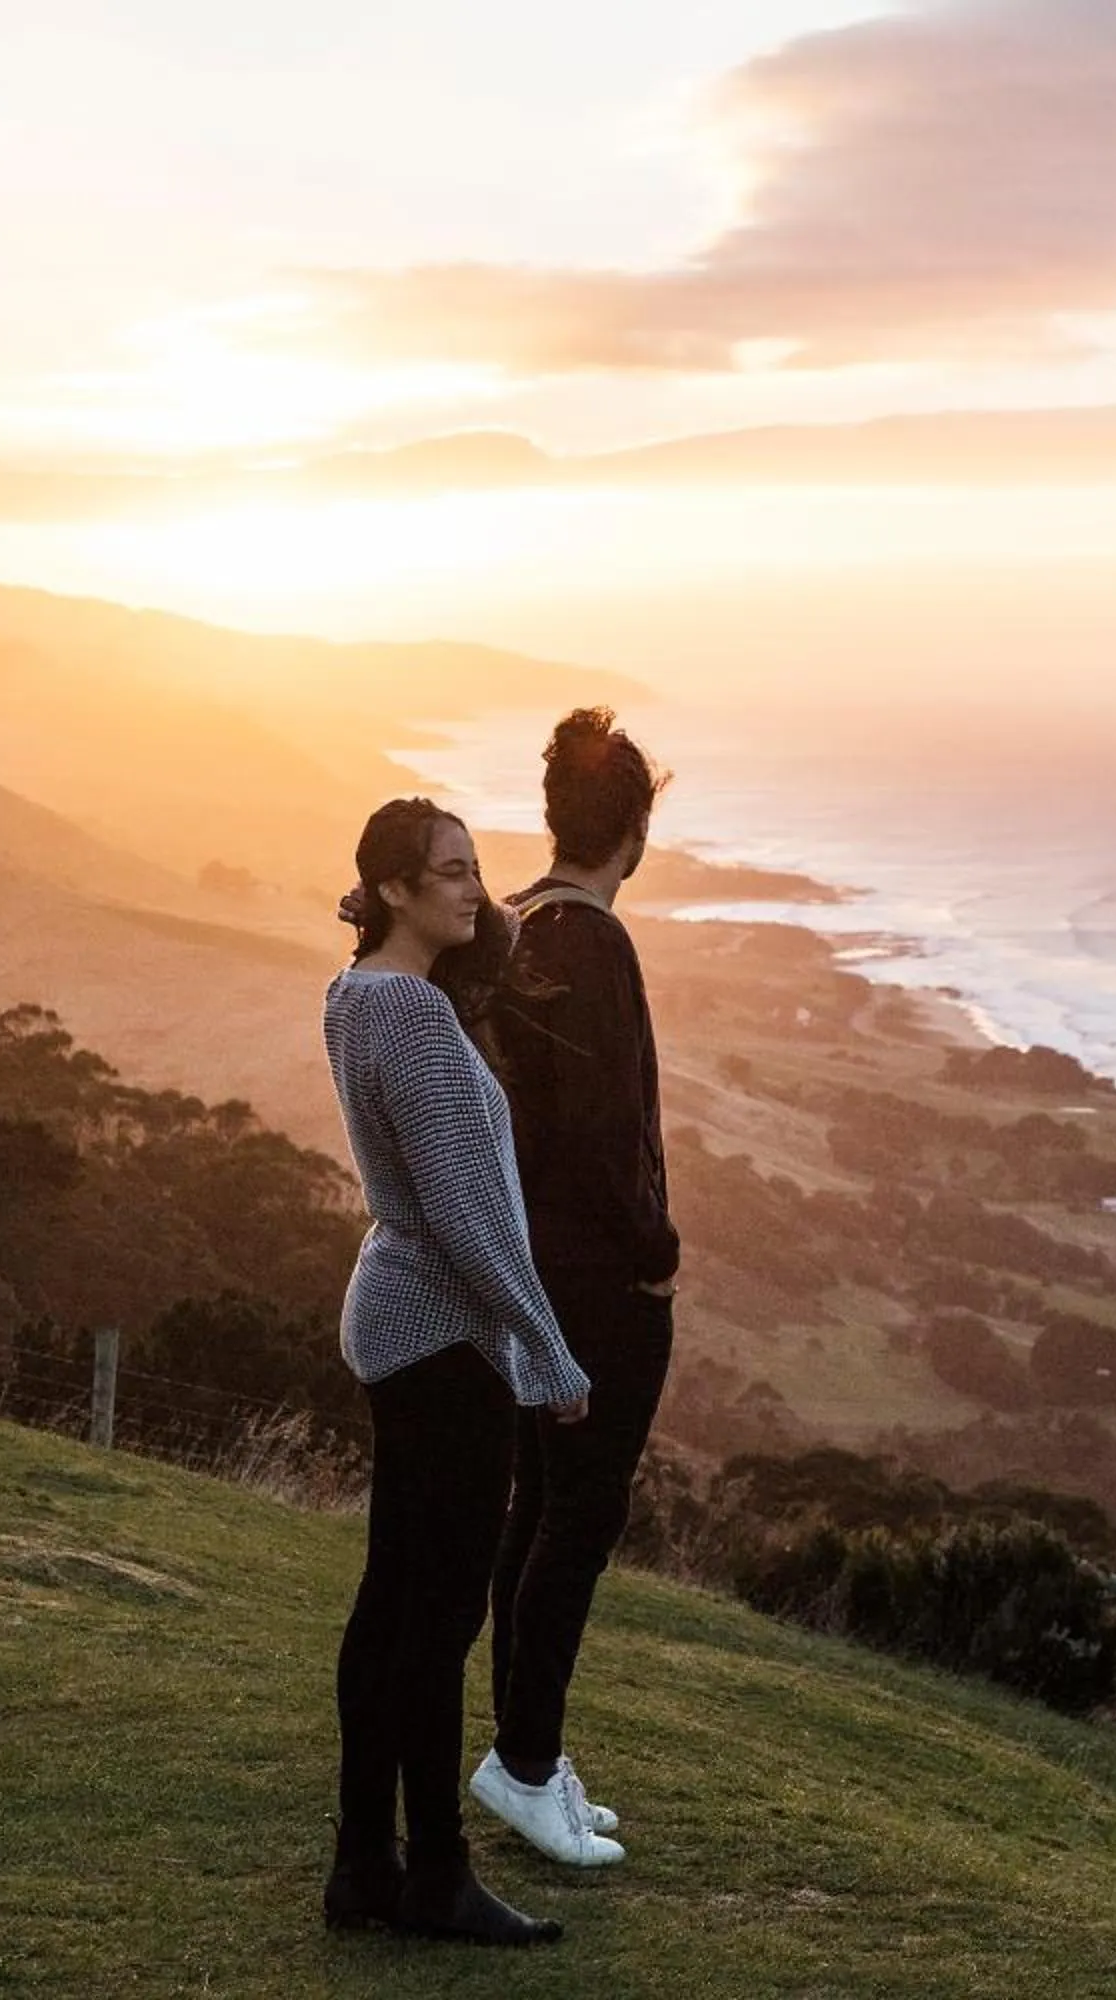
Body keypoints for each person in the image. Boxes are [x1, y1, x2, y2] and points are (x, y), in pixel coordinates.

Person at [320, 796, 593, 1946]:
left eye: (477, 867)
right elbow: (470, 1216)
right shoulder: (416, 1018)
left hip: (400, 1316)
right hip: (441, 1335)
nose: (474, 889)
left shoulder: (352, 995)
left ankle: (362, 1865)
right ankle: (433, 1871)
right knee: (434, 1622)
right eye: (450, 872)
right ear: (392, 888)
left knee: (391, 1607)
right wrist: (550, 1344)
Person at [471, 709, 676, 1867]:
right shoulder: (592, 942)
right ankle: (526, 1761)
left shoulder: (512, 933)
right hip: (596, 1284)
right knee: (576, 1521)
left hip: (530, 1275)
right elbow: (605, 1136)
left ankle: (526, 1753)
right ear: (636, 831)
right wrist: (658, 1246)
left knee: (536, 1513)